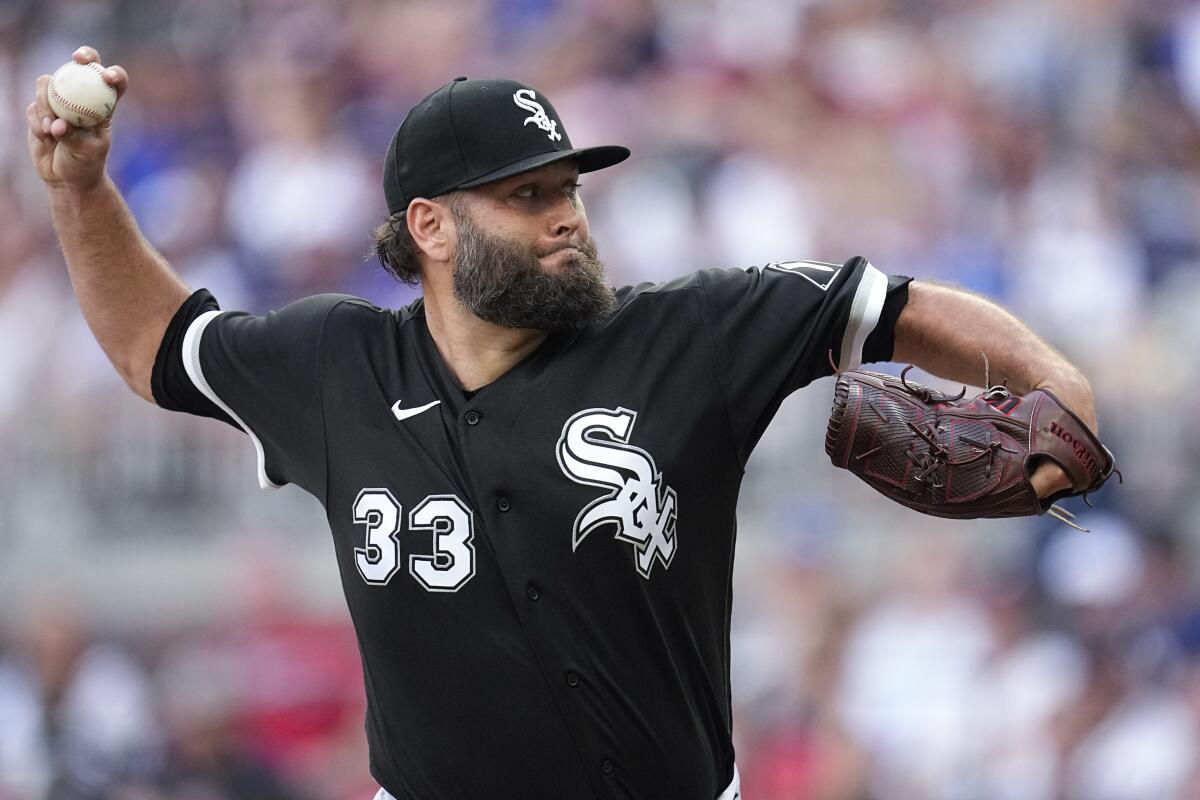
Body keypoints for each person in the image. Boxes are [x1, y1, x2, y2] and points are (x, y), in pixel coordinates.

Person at [28, 46, 1097, 800]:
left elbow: (898, 306)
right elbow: (157, 345)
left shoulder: (692, 332)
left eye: (568, 192)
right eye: (526, 194)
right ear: (431, 226)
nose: (563, 218)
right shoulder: (334, 362)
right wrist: (79, 190)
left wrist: (1060, 386)